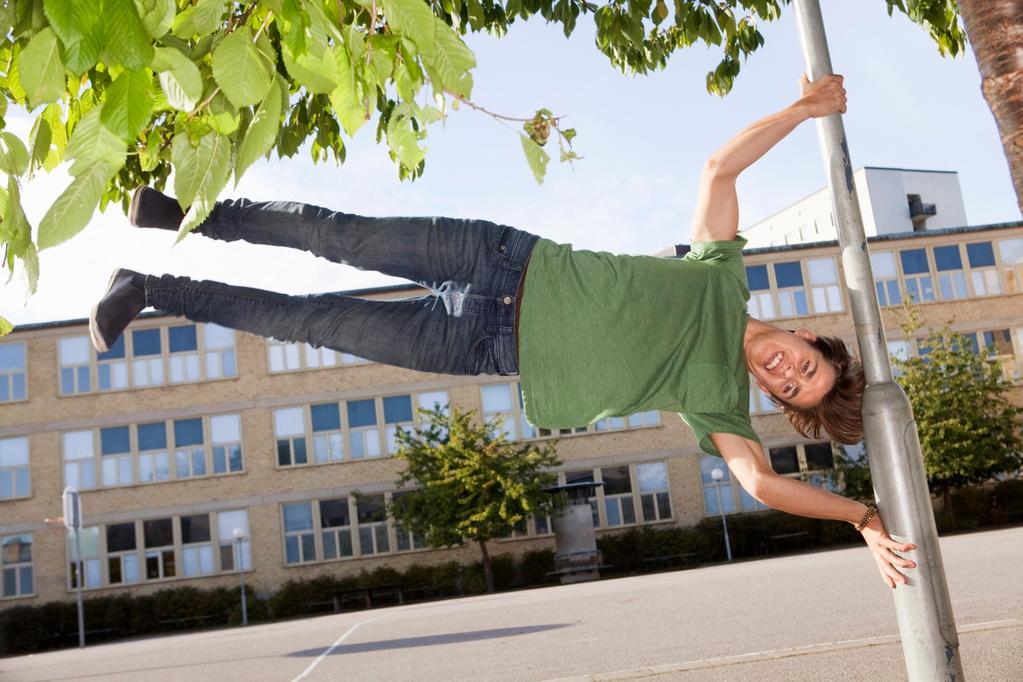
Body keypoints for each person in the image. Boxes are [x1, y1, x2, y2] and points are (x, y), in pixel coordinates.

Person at [90, 74, 916, 588]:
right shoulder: (721, 275)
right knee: (339, 236)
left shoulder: (717, 407)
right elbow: (718, 170)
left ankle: (152, 288)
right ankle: (193, 216)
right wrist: (802, 109)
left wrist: (861, 518)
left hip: (481, 347)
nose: (782, 375)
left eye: (789, 390)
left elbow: (762, 487)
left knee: (310, 323)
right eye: (801, 366)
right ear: (808, 339)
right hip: (498, 261)